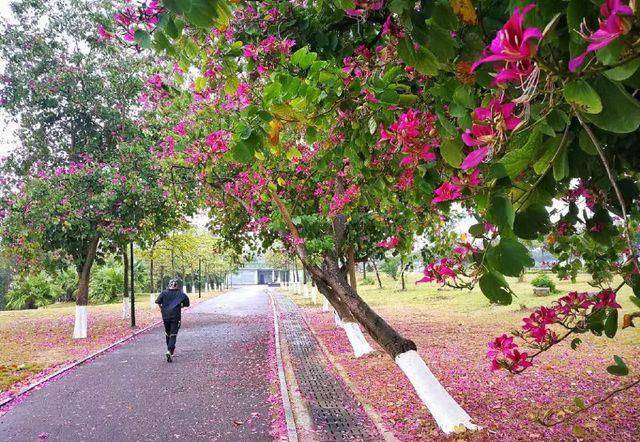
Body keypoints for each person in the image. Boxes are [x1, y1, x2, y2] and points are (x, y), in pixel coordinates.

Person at [155, 278, 190, 362]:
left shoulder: (163, 293)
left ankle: (169, 350)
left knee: (167, 333)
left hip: (165, 316)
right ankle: (170, 351)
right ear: (177, 285)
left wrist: (162, 308)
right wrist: (181, 306)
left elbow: (158, 302)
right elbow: (187, 304)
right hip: (175, 316)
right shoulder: (181, 294)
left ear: (169, 285)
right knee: (173, 334)